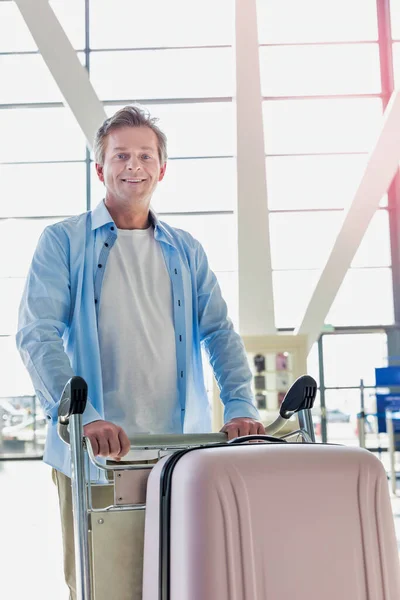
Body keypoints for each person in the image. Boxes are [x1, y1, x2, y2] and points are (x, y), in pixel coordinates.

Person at [16, 104, 265, 599]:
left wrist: (239, 406)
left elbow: (219, 333)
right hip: (94, 456)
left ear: (162, 169)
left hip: (181, 454)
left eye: (146, 156)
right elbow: (37, 333)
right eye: (121, 155)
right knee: (106, 585)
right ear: (100, 168)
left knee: (186, 580)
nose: (134, 166)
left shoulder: (186, 250)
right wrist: (80, 417)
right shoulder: (62, 242)